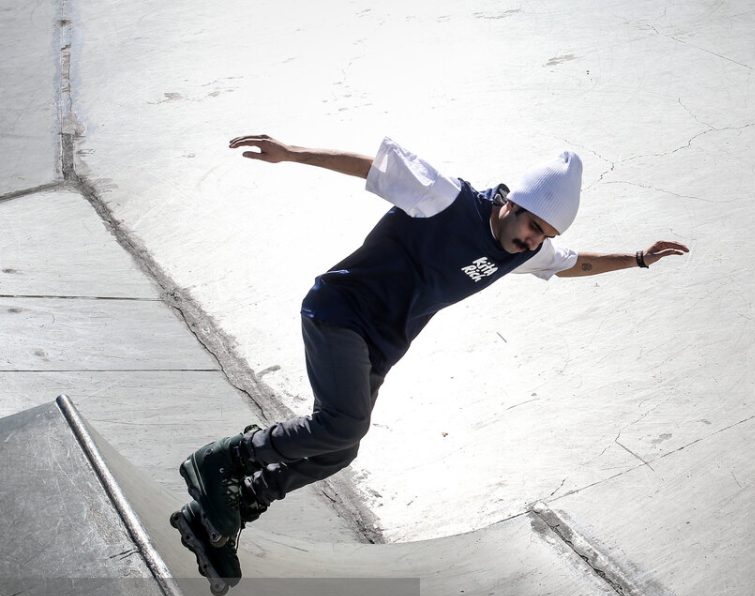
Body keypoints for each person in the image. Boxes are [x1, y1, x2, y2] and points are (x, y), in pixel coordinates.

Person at [179, 134, 689, 547]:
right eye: (533, 225)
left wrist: (638, 259)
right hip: (340, 311)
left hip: (382, 343)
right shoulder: (446, 198)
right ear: (511, 202)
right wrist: (291, 153)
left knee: (342, 449)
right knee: (342, 424)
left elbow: (578, 263)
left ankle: (241, 501)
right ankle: (229, 457)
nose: (534, 240)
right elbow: (369, 167)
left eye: (544, 235)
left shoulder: (526, 250)